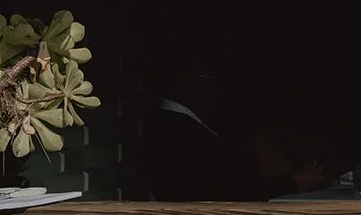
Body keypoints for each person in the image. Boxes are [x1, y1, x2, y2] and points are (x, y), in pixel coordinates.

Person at [140, 49, 327, 201]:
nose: (221, 93)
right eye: (213, 82)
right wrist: (292, 184)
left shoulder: (184, 126)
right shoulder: (177, 131)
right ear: (187, 82)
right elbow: (222, 194)